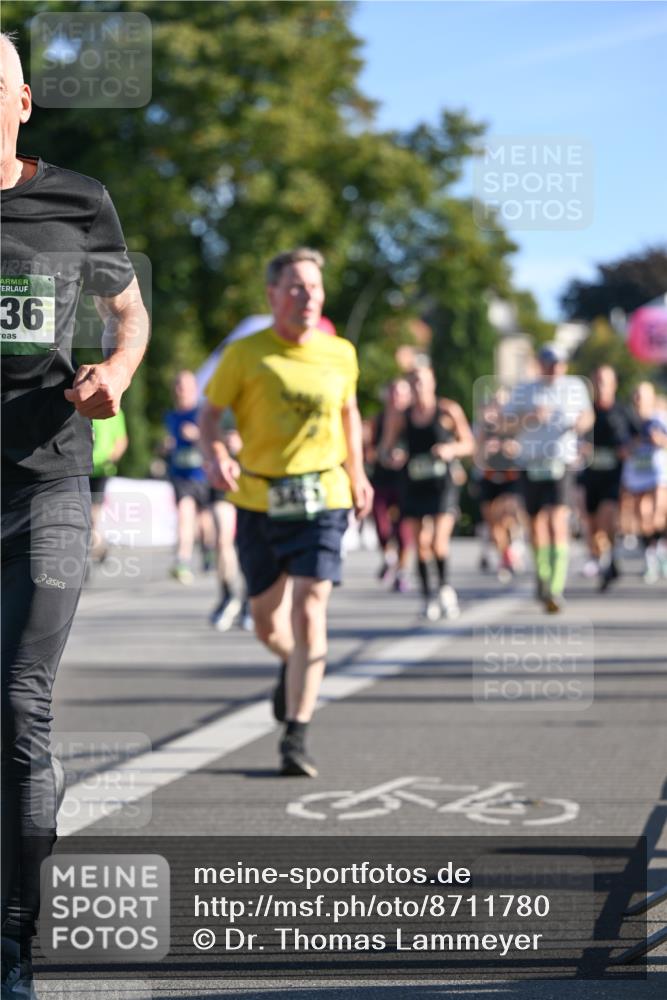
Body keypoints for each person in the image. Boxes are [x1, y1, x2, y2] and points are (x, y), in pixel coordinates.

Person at [1, 33, 148, 998]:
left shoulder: (76, 198)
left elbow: (128, 315)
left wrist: (115, 378)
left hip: (47, 483)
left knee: (20, 705)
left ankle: (16, 938)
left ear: (18, 103)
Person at [199, 248, 373, 777]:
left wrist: (358, 472)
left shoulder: (340, 352)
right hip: (258, 499)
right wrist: (215, 454)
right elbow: (210, 416)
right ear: (273, 294)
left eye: (315, 288)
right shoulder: (246, 354)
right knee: (267, 624)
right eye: (295, 287)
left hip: (324, 496)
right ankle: (291, 664)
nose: (307, 296)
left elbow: (349, 413)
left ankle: (295, 736)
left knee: (310, 607)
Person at [380, 359, 474, 621]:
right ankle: (427, 596)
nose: (418, 386)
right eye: (414, 382)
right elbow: (385, 450)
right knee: (420, 543)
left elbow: (468, 443)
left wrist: (450, 450)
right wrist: (394, 455)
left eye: (422, 380)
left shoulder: (447, 410)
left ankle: (444, 588)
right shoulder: (401, 417)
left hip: (441, 484)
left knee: (438, 542)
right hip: (413, 483)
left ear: (433, 381)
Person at [504, 343, 594, 612]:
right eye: (548, 362)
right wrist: (529, 418)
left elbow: (588, 415)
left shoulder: (575, 387)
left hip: (560, 462)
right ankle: (542, 576)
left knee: (557, 520)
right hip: (531, 463)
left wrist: (581, 425)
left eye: (559, 363)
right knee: (535, 524)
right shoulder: (524, 389)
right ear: (539, 364)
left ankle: (555, 586)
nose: (554, 367)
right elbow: (506, 424)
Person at [579, 366, 631, 590]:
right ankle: (606, 559)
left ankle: (608, 561)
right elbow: (573, 435)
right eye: (597, 380)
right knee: (591, 525)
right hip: (588, 476)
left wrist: (627, 449)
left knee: (606, 518)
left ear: (614, 384)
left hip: (613, 477)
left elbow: (640, 437)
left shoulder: (623, 411)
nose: (601, 385)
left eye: (605, 381)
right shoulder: (585, 411)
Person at [163, 370, 216, 584]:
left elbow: (214, 439)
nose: (181, 391)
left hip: (202, 474)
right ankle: (182, 561)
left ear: (194, 389)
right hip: (181, 475)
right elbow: (171, 442)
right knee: (185, 515)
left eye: (185, 387)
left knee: (204, 522)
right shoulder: (171, 416)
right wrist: (167, 447)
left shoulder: (203, 412)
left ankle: (208, 551)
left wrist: (197, 436)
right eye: (178, 386)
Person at [474, 390, 524, 583]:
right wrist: (485, 451)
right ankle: (506, 556)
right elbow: (476, 458)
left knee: (506, 516)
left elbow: (525, 451)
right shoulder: (484, 429)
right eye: (496, 403)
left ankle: (514, 544)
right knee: (494, 524)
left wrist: (512, 449)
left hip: (510, 479)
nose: (499, 408)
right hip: (489, 479)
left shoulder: (515, 426)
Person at [368, 378, 413, 592]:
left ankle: (402, 572)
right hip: (382, 478)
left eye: (401, 393)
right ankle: (389, 557)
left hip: (406, 480)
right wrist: (379, 454)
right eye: (394, 392)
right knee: (381, 524)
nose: (397, 397)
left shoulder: (413, 419)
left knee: (403, 529)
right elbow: (368, 448)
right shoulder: (379, 419)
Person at [622, 382, 667, 583]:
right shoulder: (629, 420)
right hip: (637, 473)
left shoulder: (660, 418)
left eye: (643, 396)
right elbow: (621, 446)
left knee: (659, 512)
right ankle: (652, 555)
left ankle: (661, 552)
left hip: (658, 472)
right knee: (643, 516)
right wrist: (634, 444)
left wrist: (660, 440)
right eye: (637, 396)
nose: (639, 400)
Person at [88, 408, 129, 565]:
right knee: (86, 515)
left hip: (101, 470)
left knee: (92, 515)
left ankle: (93, 550)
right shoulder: (84, 406)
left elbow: (121, 440)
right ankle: (100, 547)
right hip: (81, 468)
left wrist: (111, 459)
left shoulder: (115, 410)